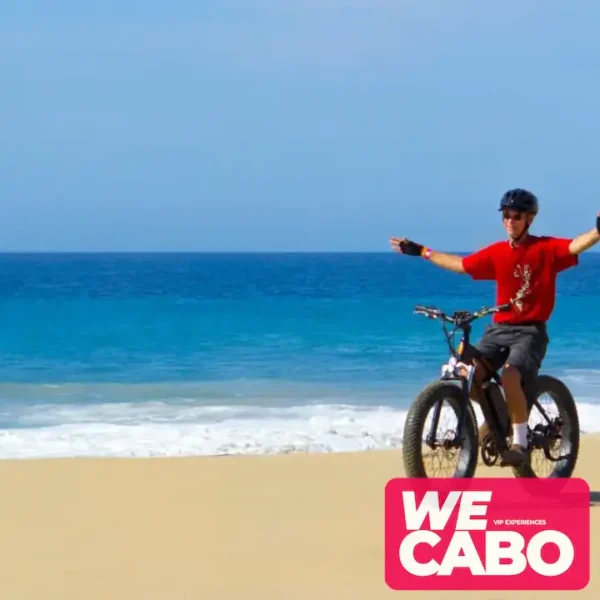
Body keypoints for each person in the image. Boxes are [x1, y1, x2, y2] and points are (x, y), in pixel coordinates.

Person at [390, 189, 600, 466]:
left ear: (530, 219)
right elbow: (461, 264)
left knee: (511, 375)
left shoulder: (545, 249)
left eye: (516, 217)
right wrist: (422, 251)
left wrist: (597, 232)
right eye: (506, 216)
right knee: (469, 371)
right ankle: (498, 419)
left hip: (530, 332)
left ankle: (520, 443)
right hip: (498, 330)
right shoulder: (498, 252)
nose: (510, 222)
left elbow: (574, 246)